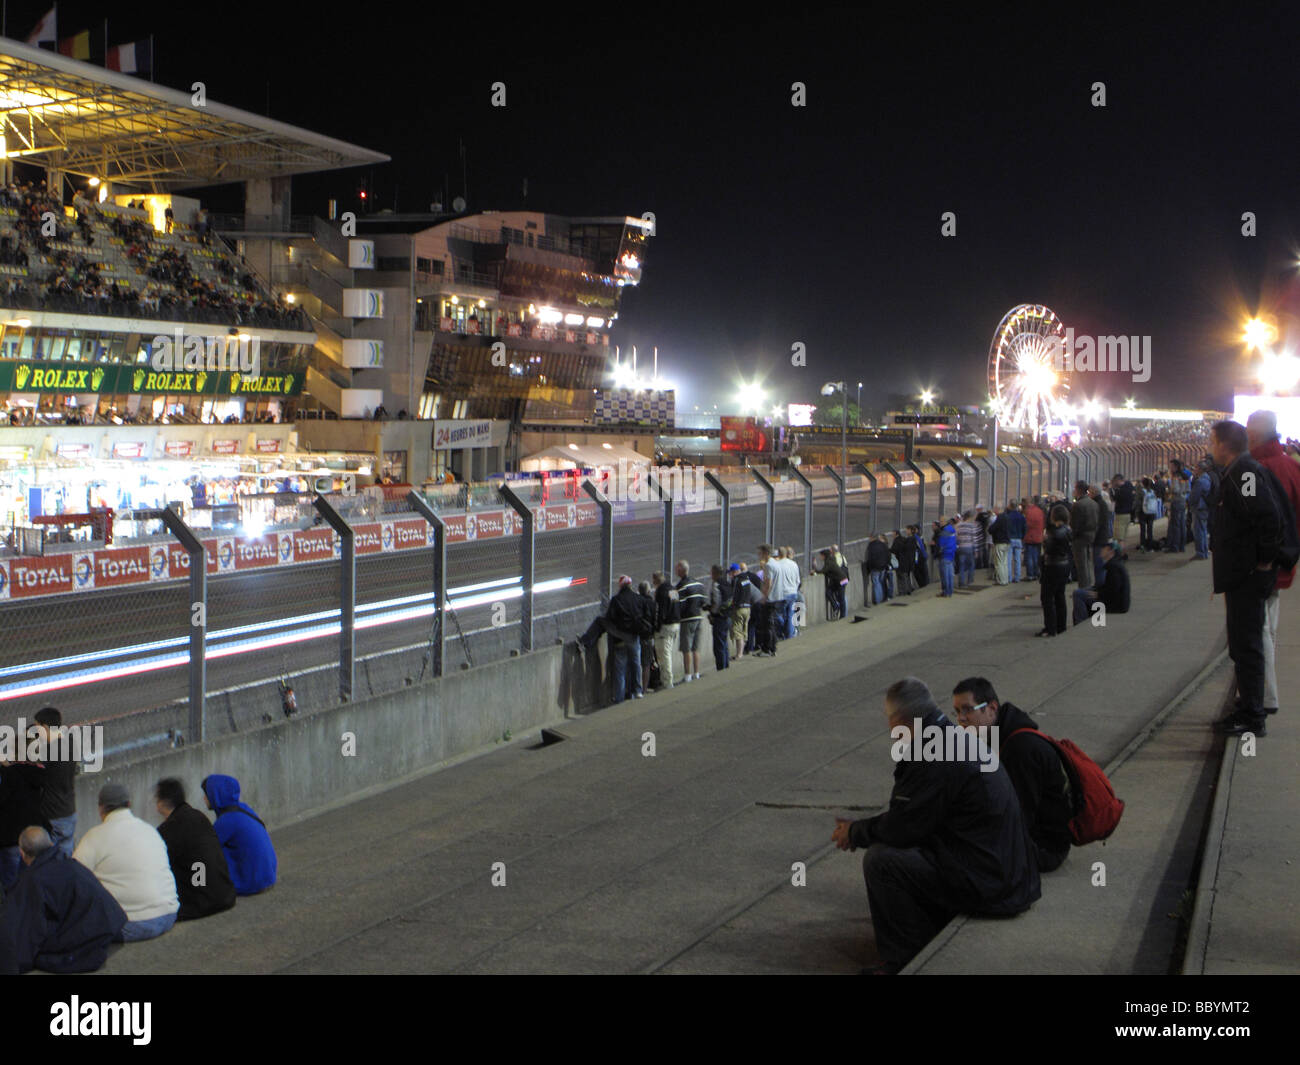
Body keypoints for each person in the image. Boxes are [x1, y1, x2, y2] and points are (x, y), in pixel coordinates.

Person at [831, 677, 1040, 975]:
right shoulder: (947, 737)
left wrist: (855, 832)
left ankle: (900, 959)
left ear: (900, 719)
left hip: (992, 884)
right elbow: (914, 816)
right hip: (1004, 872)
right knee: (905, 850)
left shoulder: (935, 751)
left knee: (881, 861)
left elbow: (904, 826)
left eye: (889, 719)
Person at [1208, 420, 1284, 737]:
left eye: (1212, 441)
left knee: (1248, 644)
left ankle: (1253, 716)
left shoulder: (1246, 474)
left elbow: (1266, 516)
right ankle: (1248, 707)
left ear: (1225, 444)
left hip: (1248, 576)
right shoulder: (1239, 472)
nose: (1209, 447)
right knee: (1241, 645)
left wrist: (1264, 562)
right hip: (1241, 574)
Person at [952, 679, 1072, 873]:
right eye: (957, 711)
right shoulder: (1001, 735)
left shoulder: (1020, 748)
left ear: (991, 708)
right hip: (1032, 840)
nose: (961, 718)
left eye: (967, 709)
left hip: (1043, 849)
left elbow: (1019, 815)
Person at [0, 827, 127, 973]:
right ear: (51, 844)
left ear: (22, 854)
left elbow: (19, 931)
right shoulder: (73, 865)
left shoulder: (32, 881)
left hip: (79, 943)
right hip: (103, 930)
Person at [72, 783, 179, 942]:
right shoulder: (150, 830)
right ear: (129, 804)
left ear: (101, 809)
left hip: (130, 924)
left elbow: (73, 877)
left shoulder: (94, 837)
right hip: (169, 914)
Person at [1247, 410, 1300, 722]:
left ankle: (1263, 696)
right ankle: (1260, 693)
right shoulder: (1292, 468)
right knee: (1269, 629)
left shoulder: (1258, 469)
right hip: (1285, 562)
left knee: (1256, 632)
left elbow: (1257, 520)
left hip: (1262, 564)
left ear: (1253, 434)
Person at [154, 778, 237, 921]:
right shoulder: (198, 816)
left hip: (200, 904)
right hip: (225, 895)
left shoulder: (168, 829)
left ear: (161, 802)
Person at [201, 775, 277, 896]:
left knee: (203, 855)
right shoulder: (243, 808)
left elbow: (205, 848)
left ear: (215, 796)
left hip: (251, 883)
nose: (204, 798)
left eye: (207, 794)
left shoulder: (227, 820)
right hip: (268, 877)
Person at [577, 575, 645, 701]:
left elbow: (610, 617)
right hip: (634, 636)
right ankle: (638, 691)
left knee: (620, 667)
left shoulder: (616, 599)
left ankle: (619, 697)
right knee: (635, 664)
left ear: (620, 585)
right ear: (630, 585)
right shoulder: (638, 598)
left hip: (620, 635)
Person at [32, 707, 78, 857]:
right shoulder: (70, 742)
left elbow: (37, 777)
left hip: (53, 814)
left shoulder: (50, 752)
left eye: (37, 728)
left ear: (45, 727)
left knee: (53, 858)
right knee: (66, 854)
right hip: (69, 809)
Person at [1072, 539, 1130, 625]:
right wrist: (1096, 590)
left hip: (1115, 604)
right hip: (1116, 601)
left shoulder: (1113, 567)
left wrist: (1099, 594)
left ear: (1110, 552)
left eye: (1104, 548)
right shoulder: (1115, 564)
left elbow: (1113, 589)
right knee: (1082, 592)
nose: (1101, 550)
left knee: (1078, 594)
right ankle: (1081, 620)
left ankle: (1080, 623)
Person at [1038, 504, 1072, 637]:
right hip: (1064, 565)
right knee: (1060, 596)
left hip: (1052, 566)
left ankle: (1050, 627)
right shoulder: (1068, 530)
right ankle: (1061, 626)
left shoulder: (1053, 532)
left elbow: (1049, 549)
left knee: (1047, 597)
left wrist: (1045, 542)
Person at [675, 561, 707, 682]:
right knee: (695, 647)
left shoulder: (680, 586)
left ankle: (687, 675)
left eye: (677, 569)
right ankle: (697, 673)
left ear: (681, 571)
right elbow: (704, 602)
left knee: (686, 648)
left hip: (686, 619)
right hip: (698, 617)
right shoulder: (699, 583)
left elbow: (675, 603)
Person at [652, 570, 682, 685]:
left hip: (665, 627)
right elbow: (676, 605)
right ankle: (667, 680)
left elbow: (660, 612)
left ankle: (667, 682)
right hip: (676, 624)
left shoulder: (661, 591)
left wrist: (657, 627)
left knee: (664, 655)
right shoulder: (673, 589)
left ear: (655, 580)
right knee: (668, 652)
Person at [1069, 481, 1098, 588]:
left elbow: (1074, 524)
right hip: (1092, 535)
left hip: (1080, 538)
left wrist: (1072, 536)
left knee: (1081, 565)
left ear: (1078, 490)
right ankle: (1090, 585)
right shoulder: (1093, 503)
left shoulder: (1078, 505)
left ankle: (1083, 588)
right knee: (1089, 563)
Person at [706, 564, 732, 672]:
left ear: (715, 573)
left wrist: (712, 613)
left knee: (718, 645)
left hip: (719, 618)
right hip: (728, 616)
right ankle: (726, 665)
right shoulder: (727, 583)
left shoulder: (716, 585)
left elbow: (716, 602)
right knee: (724, 642)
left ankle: (721, 668)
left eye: (712, 572)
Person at [729, 562, 758, 659]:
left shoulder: (736, 580)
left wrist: (732, 605)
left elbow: (733, 595)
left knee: (738, 632)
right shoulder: (746, 578)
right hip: (748, 607)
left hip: (739, 608)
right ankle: (744, 650)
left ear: (734, 572)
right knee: (744, 630)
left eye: (730, 573)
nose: (730, 575)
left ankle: (739, 654)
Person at [1188, 459, 1214, 560]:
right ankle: (1204, 551)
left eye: (1196, 468)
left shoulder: (1200, 481)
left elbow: (1194, 496)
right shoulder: (1208, 479)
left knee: (1198, 530)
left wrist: (1190, 502)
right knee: (1203, 530)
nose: (1195, 470)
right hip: (1205, 507)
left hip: (1199, 507)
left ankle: (1200, 552)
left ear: (1200, 469)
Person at [637, 580, 658, 694]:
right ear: (649, 590)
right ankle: (644, 689)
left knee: (636, 663)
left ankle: (635, 688)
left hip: (637, 635)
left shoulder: (636, 602)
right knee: (646, 664)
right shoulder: (652, 603)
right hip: (649, 636)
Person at [816, 547, 849, 619]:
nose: (820, 557)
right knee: (830, 592)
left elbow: (824, 571)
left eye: (821, 556)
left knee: (840, 597)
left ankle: (842, 614)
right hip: (841, 579)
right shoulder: (831, 559)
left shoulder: (829, 562)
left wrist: (815, 570)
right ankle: (837, 608)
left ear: (824, 555)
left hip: (841, 580)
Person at [1165, 462, 1188, 553]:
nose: (1170, 468)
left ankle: (1175, 546)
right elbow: (1187, 489)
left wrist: (1170, 490)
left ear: (1175, 467)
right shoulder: (1185, 477)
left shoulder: (1175, 477)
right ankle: (1182, 546)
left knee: (1175, 525)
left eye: (1171, 466)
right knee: (1182, 524)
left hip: (1176, 501)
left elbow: (1175, 489)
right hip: (1183, 501)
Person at [865, 534, 893, 603]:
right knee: (881, 582)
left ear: (872, 538)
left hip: (875, 567)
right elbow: (888, 555)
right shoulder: (883, 545)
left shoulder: (871, 546)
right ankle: (882, 597)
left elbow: (869, 558)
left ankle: (878, 600)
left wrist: (869, 568)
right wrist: (886, 564)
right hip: (883, 567)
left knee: (876, 583)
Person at [1023, 496, 1045, 579]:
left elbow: (1026, 525)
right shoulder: (1040, 511)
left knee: (1029, 557)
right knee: (1036, 556)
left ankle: (1030, 574)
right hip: (1038, 536)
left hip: (1029, 537)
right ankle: (1036, 572)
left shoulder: (1027, 511)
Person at [955, 512, 977, 588]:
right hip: (969, 548)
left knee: (961, 565)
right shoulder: (971, 526)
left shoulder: (958, 525)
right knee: (971, 564)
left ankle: (961, 583)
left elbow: (956, 537)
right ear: (969, 517)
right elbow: (974, 539)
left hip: (961, 547)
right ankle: (970, 581)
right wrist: (976, 550)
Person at [1111, 474, 1134, 546]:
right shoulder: (1130, 486)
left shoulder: (1121, 490)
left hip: (1120, 515)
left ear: (1117, 480)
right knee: (1123, 537)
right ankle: (1122, 554)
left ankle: (1119, 555)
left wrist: (1113, 489)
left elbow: (1114, 498)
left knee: (1119, 539)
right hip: (1128, 514)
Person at [989, 506, 1010, 584]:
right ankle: (1005, 579)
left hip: (999, 542)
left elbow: (992, 529)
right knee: (1004, 562)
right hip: (1007, 542)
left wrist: (990, 529)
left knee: (999, 563)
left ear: (998, 510)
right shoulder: (1007, 517)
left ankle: (1001, 580)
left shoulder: (1000, 518)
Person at [937, 518, 957, 597]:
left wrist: (940, 550)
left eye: (941, 521)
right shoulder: (952, 530)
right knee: (950, 575)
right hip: (951, 554)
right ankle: (950, 591)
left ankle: (946, 592)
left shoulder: (944, 531)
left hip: (945, 554)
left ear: (945, 522)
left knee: (945, 575)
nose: (940, 523)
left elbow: (941, 543)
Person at [1006, 502, 1026, 583]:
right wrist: (1022, 537)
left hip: (1010, 539)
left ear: (1010, 506)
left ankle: (1009, 578)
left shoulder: (1008, 517)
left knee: (1009, 559)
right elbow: (1024, 528)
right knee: (1017, 559)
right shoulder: (1021, 517)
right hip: (1018, 539)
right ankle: (1017, 577)